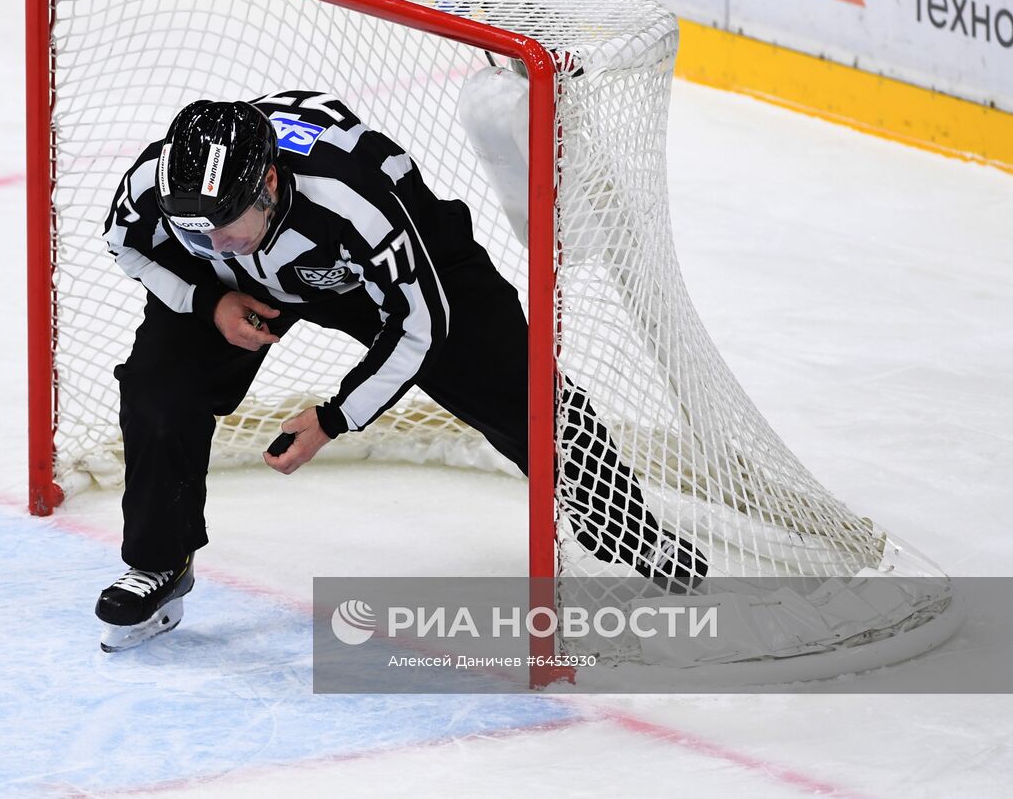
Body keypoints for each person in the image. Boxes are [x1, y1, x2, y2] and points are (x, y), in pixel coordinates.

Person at [94, 90, 705, 652]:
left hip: (393, 273)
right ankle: (159, 561)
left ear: (271, 183)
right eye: (196, 235)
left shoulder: (350, 199)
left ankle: (632, 531)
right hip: (240, 291)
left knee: (519, 394)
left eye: (226, 230)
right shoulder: (164, 187)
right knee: (157, 391)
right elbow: (128, 242)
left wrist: (336, 418)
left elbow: (420, 325)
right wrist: (208, 298)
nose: (213, 244)